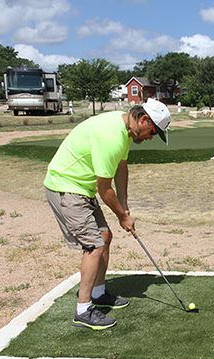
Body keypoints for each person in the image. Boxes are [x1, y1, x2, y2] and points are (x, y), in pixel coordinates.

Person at [43, 98, 171, 330]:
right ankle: (83, 310)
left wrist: (125, 204)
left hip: (81, 187)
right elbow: (105, 189)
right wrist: (122, 216)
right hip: (66, 187)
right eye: (152, 132)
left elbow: (121, 167)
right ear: (143, 120)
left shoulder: (124, 130)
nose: (151, 137)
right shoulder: (112, 136)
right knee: (94, 246)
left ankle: (99, 293)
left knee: (105, 237)